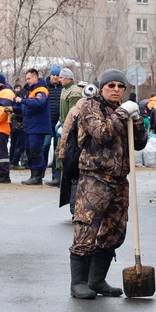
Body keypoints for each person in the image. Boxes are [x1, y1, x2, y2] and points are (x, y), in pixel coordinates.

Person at [69, 69, 147, 299]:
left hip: (119, 179)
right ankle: (78, 283)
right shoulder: (90, 107)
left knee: (115, 231)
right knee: (86, 228)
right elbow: (102, 134)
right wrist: (122, 114)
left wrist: (137, 120)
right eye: (111, 85)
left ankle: (97, 279)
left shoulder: (122, 111)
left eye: (120, 86)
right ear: (102, 88)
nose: (116, 89)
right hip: (95, 177)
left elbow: (140, 144)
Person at [58, 81, 92, 214]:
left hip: (74, 151)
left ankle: (74, 210)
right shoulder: (98, 110)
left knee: (75, 180)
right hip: (90, 152)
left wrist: (62, 152)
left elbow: (65, 133)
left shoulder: (74, 110)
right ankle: (84, 210)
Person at [13, 68, 50, 185]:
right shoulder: (30, 91)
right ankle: (33, 175)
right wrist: (13, 109)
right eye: (26, 79)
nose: (27, 81)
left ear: (35, 77)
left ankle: (38, 176)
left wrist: (22, 101)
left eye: (29, 78)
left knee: (35, 150)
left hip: (38, 127)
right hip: (30, 126)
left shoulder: (41, 90)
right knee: (30, 151)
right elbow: (27, 107)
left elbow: (39, 103)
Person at [50, 67, 82, 187]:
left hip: (69, 125)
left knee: (65, 150)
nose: (59, 79)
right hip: (63, 123)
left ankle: (64, 178)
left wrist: (68, 126)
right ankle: (58, 177)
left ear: (68, 78)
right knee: (59, 149)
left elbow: (74, 111)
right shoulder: (65, 89)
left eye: (62, 77)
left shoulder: (74, 92)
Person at [44, 65, 63, 183]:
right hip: (47, 121)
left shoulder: (64, 88)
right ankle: (41, 169)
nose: (55, 77)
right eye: (53, 75)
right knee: (45, 145)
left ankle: (55, 175)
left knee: (57, 148)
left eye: (57, 75)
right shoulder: (45, 87)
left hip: (58, 123)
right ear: (50, 75)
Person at [9, 84, 27, 169]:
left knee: (14, 143)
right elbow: (23, 110)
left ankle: (12, 160)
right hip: (21, 124)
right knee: (19, 144)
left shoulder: (14, 99)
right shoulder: (23, 99)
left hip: (14, 123)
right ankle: (14, 161)